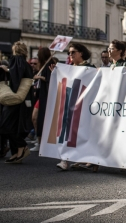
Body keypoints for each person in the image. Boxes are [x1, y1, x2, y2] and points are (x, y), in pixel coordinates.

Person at [56, 43, 96, 171]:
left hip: (84, 106)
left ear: (81, 53)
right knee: (67, 131)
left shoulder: (90, 68)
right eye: (69, 53)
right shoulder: (68, 68)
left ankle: (82, 158)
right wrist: (55, 74)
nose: (70, 55)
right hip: (70, 103)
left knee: (82, 131)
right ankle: (64, 160)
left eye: (73, 52)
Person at [1, 42, 34, 164]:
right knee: (14, 125)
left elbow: (16, 77)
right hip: (23, 98)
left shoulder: (17, 60)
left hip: (16, 98)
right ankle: (17, 151)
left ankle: (22, 147)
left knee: (7, 124)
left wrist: (6, 70)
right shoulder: (25, 64)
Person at [31, 47, 53, 152]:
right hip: (42, 94)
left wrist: (39, 77)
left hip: (46, 95)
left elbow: (50, 79)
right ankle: (39, 141)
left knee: (39, 118)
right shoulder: (45, 64)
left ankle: (40, 142)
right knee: (36, 118)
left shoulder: (50, 64)